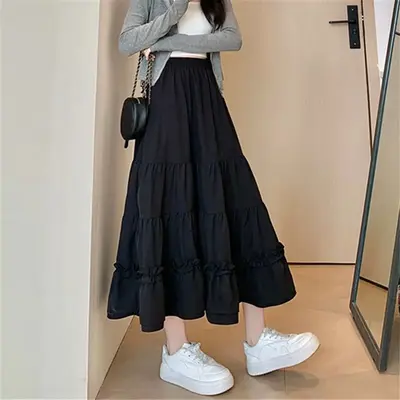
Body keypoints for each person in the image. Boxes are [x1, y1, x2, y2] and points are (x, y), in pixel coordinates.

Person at [107, 0, 320, 395]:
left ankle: (258, 341)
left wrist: (166, 41)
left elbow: (232, 39)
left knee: (236, 202)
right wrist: (173, 12)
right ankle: (175, 351)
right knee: (169, 208)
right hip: (166, 105)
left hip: (207, 100)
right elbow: (127, 42)